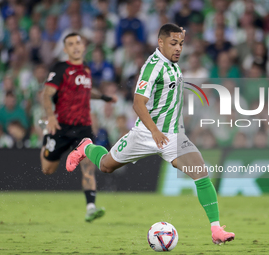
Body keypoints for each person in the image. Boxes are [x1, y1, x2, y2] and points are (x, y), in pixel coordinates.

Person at [66, 24, 235, 244]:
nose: (178, 49)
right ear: (160, 43)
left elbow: (172, 45)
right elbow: (138, 103)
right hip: (145, 134)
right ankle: (86, 146)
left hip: (173, 136)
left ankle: (216, 230)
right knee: (106, 166)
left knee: (201, 173)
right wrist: (154, 131)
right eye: (173, 44)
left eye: (181, 44)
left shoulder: (172, 62)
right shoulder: (152, 67)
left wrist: (179, 34)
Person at [41, 32, 116, 222]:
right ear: (65, 49)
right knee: (48, 169)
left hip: (83, 127)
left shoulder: (87, 70)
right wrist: (50, 117)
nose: (75, 46)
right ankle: (45, 138)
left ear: (83, 47)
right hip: (61, 126)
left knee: (88, 166)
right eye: (71, 44)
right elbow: (47, 94)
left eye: (78, 43)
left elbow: (87, 92)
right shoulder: (60, 69)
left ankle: (91, 207)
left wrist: (105, 97)